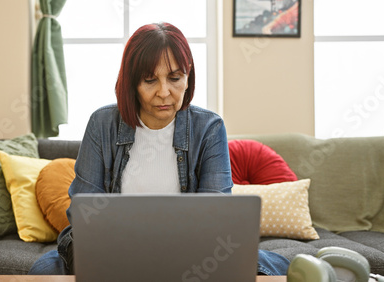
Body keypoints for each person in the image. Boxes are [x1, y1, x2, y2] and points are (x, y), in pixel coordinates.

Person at [29, 22, 290, 276]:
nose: (164, 92)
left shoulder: (209, 127)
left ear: (188, 77)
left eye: (175, 78)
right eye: (150, 80)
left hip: (191, 249)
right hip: (110, 249)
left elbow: (216, 217)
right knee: (40, 272)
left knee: (268, 267)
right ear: (132, 82)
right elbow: (83, 212)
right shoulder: (102, 123)